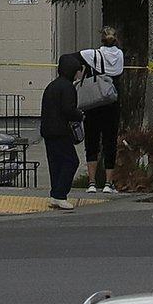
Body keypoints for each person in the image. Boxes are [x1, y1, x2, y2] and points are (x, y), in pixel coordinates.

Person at [79, 26, 125, 196]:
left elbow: (77, 58)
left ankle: (91, 182)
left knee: (91, 141)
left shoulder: (94, 55)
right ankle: (108, 182)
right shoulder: (120, 56)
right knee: (109, 142)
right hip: (112, 102)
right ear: (116, 39)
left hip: (94, 103)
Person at [41, 53, 84, 210]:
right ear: (72, 70)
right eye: (78, 70)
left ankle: (55, 194)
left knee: (55, 163)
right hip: (60, 131)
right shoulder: (68, 87)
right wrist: (79, 114)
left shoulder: (52, 86)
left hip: (47, 130)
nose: (79, 74)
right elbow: (68, 109)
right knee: (71, 161)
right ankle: (60, 195)